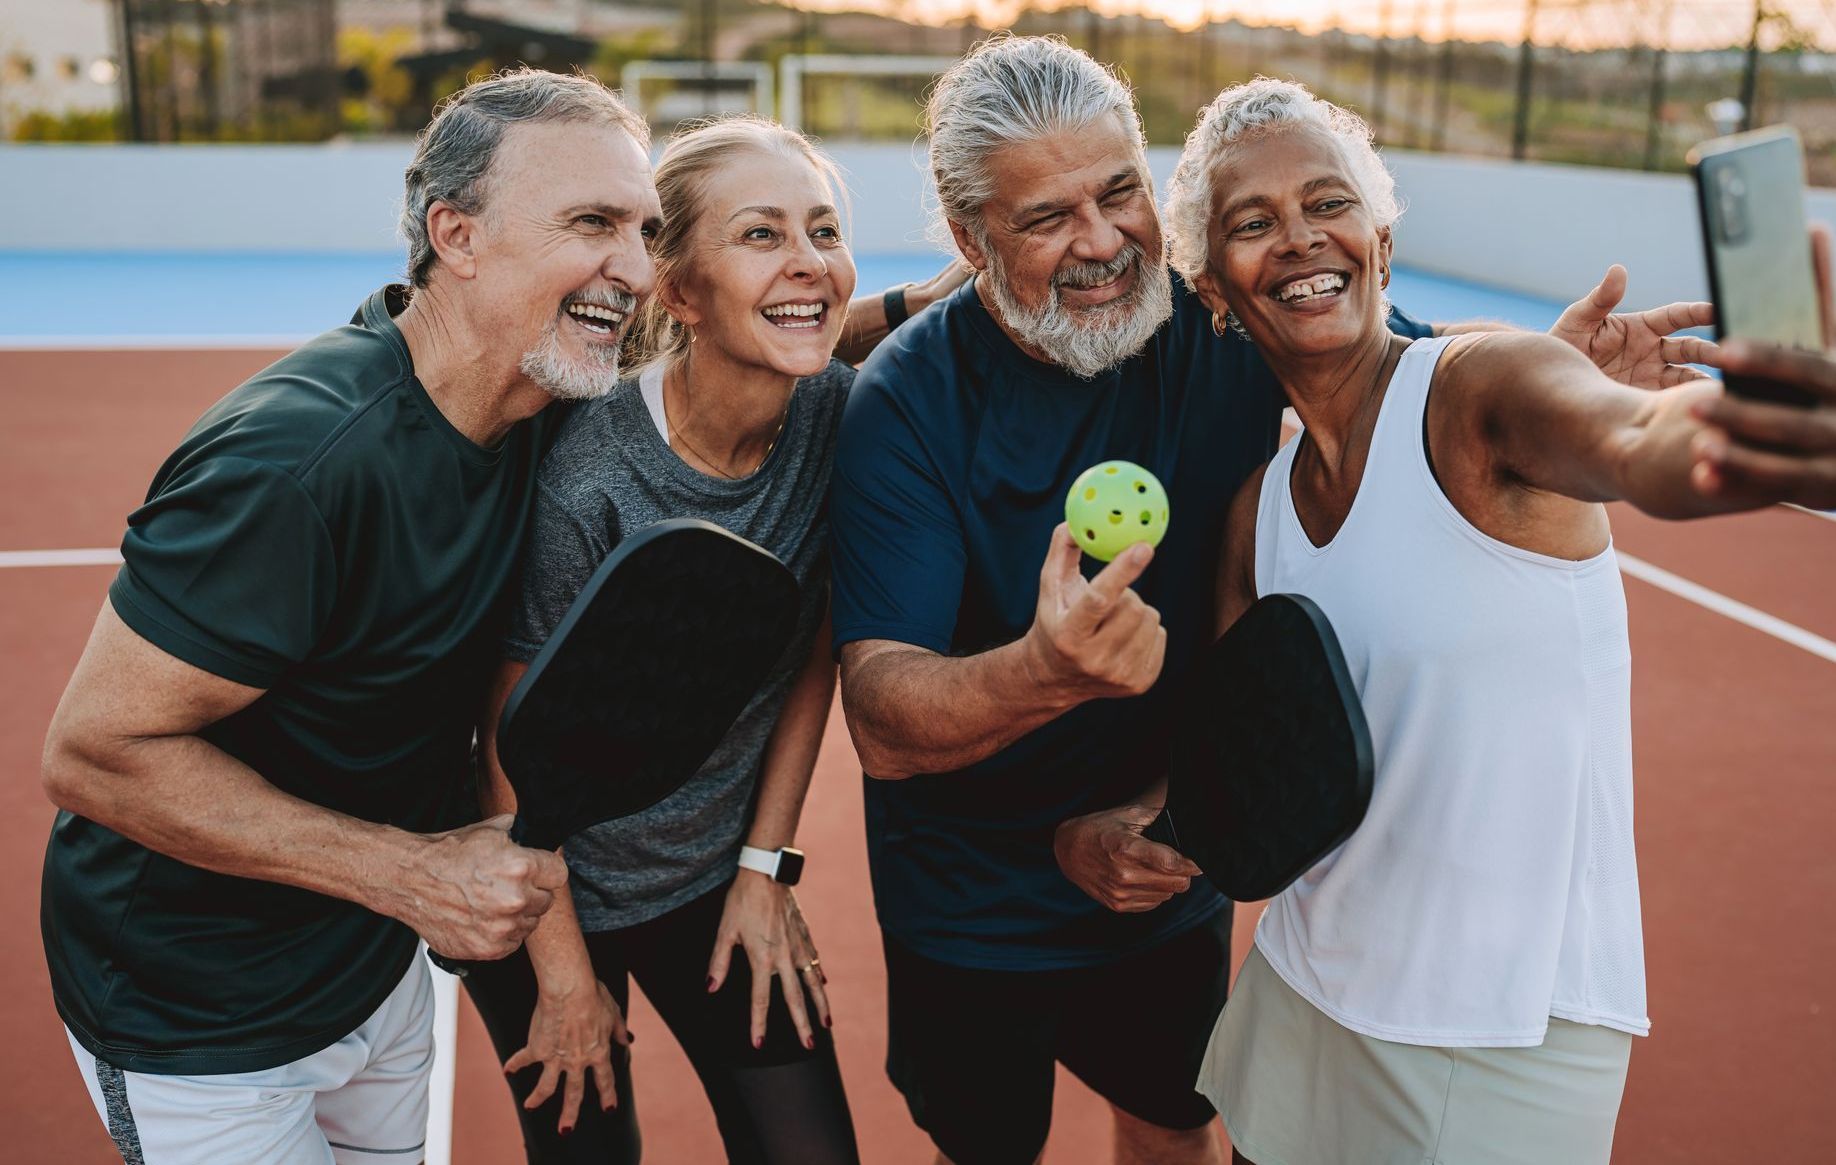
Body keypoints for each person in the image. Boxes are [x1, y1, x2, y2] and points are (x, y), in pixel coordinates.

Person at [828, 35, 1720, 1165]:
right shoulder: (906, 404)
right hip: (967, 905)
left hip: (1169, 874)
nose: (1102, 242)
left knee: (1177, 1124)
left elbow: (1406, 362)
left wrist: (1566, 378)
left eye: (1117, 194)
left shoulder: (1213, 328)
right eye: (1048, 217)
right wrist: (1042, 673)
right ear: (969, 238)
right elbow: (882, 717)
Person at [1158, 78, 1836, 1165]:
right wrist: (1129, 833)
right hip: (1305, 983)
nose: (1299, 240)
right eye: (1252, 222)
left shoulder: (1483, 385)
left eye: (1328, 204)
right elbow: (1238, 767)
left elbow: (1631, 440)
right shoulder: (1259, 510)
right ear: (1213, 288)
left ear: (1381, 240)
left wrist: (1729, 439)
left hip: (1498, 1028)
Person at [37, 68, 657, 1164]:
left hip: (367, 968)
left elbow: (746, 339)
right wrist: (414, 876)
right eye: (593, 223)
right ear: (455, 236)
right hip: (199, 1015)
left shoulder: (529, 392)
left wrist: (959, 285)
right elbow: (95, 752)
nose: (638, 268)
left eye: (645, 230)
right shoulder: (299, 465)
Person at [459, 116, 908, 1165]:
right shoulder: (589, 480)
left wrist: (766, 867)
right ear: (681, 290)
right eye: (761, 235)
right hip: (545, 883)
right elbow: (503, 750)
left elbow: (811, 649)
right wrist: (564, 977)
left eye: (825, 230)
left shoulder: (839, 421)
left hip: (712, 874)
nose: (808, 261)